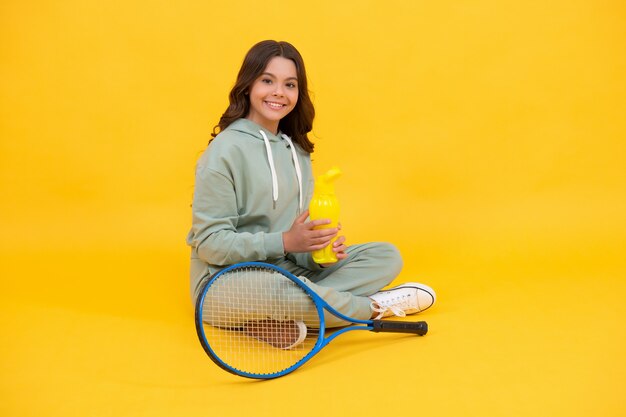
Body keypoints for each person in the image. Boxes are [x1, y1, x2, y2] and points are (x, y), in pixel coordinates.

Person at [187, 40, 435, 348]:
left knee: (385, 256)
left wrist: (319, 254)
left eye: (289, 84)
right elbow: (210, 245)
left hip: (286, 271)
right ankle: (372, 307)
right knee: (280, 291)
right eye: (267, 80)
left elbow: (295, 244)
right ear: (248, 85)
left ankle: (293, 314)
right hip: (225, 282)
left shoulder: (298, 152)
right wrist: (285, 241)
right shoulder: (223, 151)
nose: (279, 92)